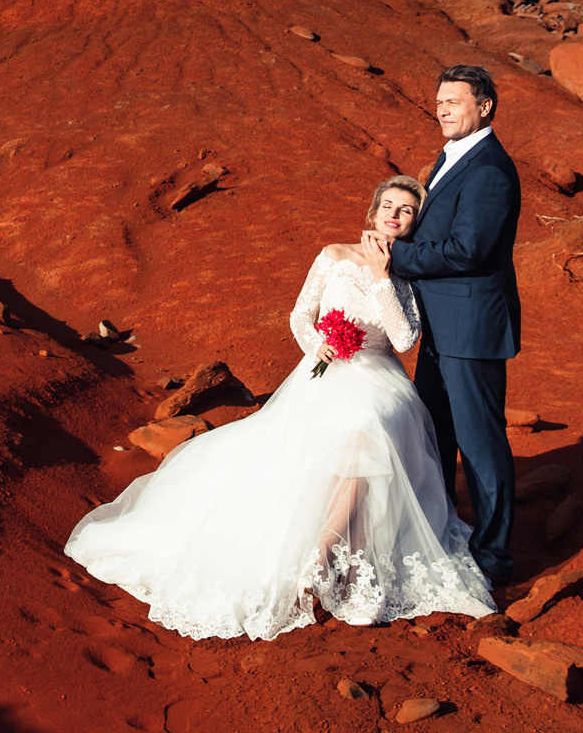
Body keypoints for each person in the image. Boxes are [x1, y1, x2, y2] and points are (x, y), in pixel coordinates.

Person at [62, 177, 497, 640]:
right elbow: (299, 316)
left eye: (406, 211)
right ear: (371, 214)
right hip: (326, 373)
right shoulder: (332, 255)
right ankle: (327, 551)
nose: (394, 214)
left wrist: (383, 277)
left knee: (367, 425)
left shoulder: (406, 274)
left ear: (414, 224)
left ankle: (324, 551)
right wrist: (319, 346)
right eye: (387, 205)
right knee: (356, 435)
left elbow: (406, 339)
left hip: (379, 378)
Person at [364, 64, 521, 589]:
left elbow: (467, 249)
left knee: (480, 442)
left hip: (471, 328)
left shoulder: (490, 170)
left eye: (454, 101)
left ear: (485, 106)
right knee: (435, 432)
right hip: (440, 328)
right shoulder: (454, 158)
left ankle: (494, 555)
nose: (443, 110)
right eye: (438, 103)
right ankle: (444, 528)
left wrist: (397, 257)